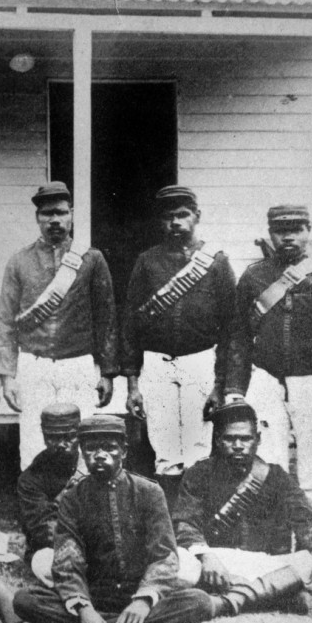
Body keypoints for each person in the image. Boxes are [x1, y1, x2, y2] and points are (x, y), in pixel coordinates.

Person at [12, 415, 215, 623]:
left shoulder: (150, 492)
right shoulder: (72, 499)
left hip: (140, 597)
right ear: (82, 452)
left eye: (109, 447)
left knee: (200, 602)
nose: (100, 455)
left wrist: (143, 601)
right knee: (25, 601)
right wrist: (85, 609)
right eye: (91, 448)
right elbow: (67, 563)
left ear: (124, 452)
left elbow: (164, 557)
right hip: (93, 596)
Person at [226, 204, 312, 512]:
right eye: (281, 231)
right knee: (268, 456)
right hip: (265, 377)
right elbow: (238, 336)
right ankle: (274, 529)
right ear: (270, 234)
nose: (288, 238)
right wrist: (235, 388)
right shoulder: (254, 276)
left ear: (308, 232)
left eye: (296, 230)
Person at [121, 185, 236, 505]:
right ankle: (170, 523)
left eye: (183, 215)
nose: (176, 223)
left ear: (196, 216)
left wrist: (221, 384)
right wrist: (132, 384)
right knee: (165, 450)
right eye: (169, 216)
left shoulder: (216, 263)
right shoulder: (146, 262)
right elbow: (130, 324)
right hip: (156, 365)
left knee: (199, 450)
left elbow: (231, 328)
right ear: (161, 221)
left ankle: (195, 523)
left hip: (200, 363)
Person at [171, 400, 312, 617]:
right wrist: (205, 556)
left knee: (310, 560)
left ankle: (225, 600)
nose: (238, 445)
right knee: (178, 561)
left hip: (265, 564)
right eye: (230, 438)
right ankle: (273, 596)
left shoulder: (276, 476)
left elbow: (307, 519)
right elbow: (185, 522)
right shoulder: (199, 473)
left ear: (257, 440)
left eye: (246, 438)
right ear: (218, 440)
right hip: (218, 563)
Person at [0, 181, 117, 470]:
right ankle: (38, 511)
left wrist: (108, 372)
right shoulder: (19, 262)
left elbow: (106, 316)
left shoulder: (91, 259)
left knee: (83, 442)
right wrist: (7, 376)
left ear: (71, 214)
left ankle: (79, 510)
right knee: (33, 443)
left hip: (77, 364)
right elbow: (6, 321)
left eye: (61, 213)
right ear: (37, 218)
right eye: (47, 214)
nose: (54, 220)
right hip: (34, 364)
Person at [16, 403, 84, 587]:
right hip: (59, 548)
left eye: (69, 437)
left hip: (100, 546)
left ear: (79, 435)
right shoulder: (30, 479)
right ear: (44, 437)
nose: (62, 444)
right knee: (47, 563)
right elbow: (44, 532)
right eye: (53, 438)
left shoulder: (93, 465)